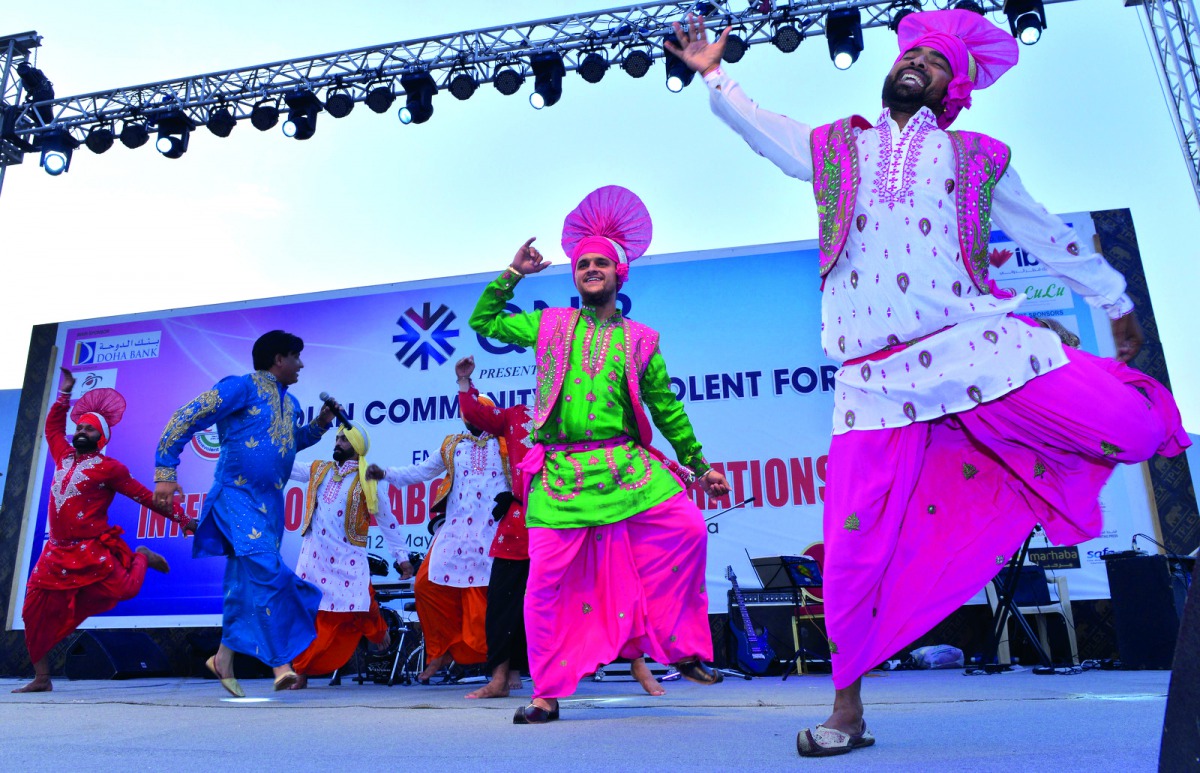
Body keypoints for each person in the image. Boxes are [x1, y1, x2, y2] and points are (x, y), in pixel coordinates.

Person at [666, 9, 1191, 756]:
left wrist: (1113, 298)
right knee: (851, 551)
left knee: (1130, 425)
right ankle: (846, 712)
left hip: (975, 345)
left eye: (937, 64)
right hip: (872, 381)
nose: (920, 66)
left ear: (955, 90)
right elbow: (762, 127)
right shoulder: (836, 146)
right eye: (912, 56)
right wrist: (715, 74)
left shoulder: (976, 156)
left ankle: (1143, 416)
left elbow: (1044, 228)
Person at [469, 185, 731, 725]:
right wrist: (513, 274)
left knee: (687, 529)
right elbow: (485, 323)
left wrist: (701, 467)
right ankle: (546, 692)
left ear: (619, 274)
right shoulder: (549, 325)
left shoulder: (642, 340)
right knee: (544, 584)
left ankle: (681, 646)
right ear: (575, 277)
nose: (590, 269)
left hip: (625, 467)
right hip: (561, 475)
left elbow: (666, 409)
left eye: (600, 263)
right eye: (582, 263)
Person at [154, 330, 336, 696]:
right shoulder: (241, 387)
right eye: (296, 357)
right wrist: (165, 472)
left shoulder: (294, 403)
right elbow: (185, 417)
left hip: (269, 506)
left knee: (242, 587)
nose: (301, 364)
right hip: (235, 497)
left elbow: (290, 442)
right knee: (268, 572)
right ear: (278, 359)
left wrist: (320, 424)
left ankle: (222, 659)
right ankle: (281, 663)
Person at [14, 368, 193, 694]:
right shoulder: (63, 455)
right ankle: (42, 678)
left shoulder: (110, 469)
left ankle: (141, 558)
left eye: (88, 429)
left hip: (89, 547)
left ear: (102, 437)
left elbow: (146, 497)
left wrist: (181, 518)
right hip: (55, 551)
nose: (80, 431)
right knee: (31, 611)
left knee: (124, 590)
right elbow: (53, 428)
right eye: (79, 427)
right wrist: (64, 395)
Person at [366, 395, 510, 685]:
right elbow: (420, 472)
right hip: (455, 531)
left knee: (488, 599)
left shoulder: (506, 442)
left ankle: (504, 667)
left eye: (477, 411)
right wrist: (386, 473)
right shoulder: (452, 444)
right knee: (425, 586)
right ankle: (441, 651)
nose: (469, 417)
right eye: (467, 412)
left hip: (492, 530)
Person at [287, 423, 415, 689]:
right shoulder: (319, 470)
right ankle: (301, 671)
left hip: (348, 560)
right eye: (336, 438)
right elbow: (287, 467)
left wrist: (402, 559)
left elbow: (387, 521)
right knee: (309, 617)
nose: (337, 443)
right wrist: (267, 451)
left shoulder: (368, 479)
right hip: (314, 559)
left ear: (357, 447)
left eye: (344, 440)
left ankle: (379, 635)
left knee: (362, 607)